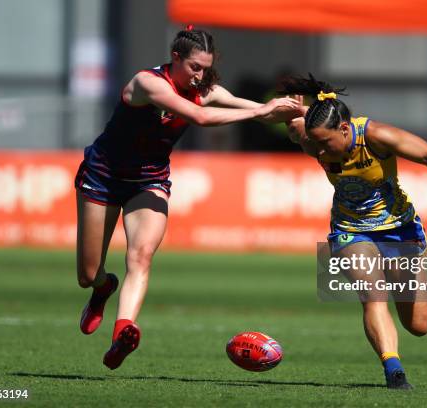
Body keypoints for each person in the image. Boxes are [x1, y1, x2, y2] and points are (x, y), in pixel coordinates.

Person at [75, 25, 300, 370]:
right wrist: (261, 112)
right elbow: (200, 116)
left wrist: (288, 111)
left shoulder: (204, 89)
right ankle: (103, 289)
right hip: (102, 177)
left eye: (206, 69)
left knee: (141, 255)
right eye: (195, 67)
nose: (201, 76)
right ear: (175, 58)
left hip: (148, 180)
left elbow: (260, 108)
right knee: (88, 274)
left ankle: (123, 331)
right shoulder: (148, 83)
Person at [281, 74, 427, 389]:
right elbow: (295, 127)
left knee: (419, 325)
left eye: (324, 142)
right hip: (350, 230)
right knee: (373, 295)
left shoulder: (377, 136)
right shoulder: (310, 139)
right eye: (314, 141)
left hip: (398, 229)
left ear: (344, 129)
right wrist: (292, 116)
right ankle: (394, 370)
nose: (319, 150)